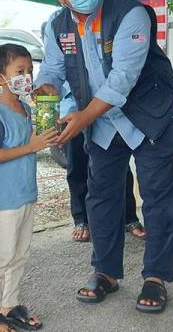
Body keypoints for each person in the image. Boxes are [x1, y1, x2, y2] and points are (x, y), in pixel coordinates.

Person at [35, 0, 173, 314]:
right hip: (103, 123)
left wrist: (81, 118)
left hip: (152, 115)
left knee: (157, 198)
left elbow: (122, 80)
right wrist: (46, 93)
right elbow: (53, 71)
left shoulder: (130, 13)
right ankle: (106, 271)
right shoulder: (57, 27)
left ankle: (156, 277)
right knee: (101, 197)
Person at [0, 44, 56, 332]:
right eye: (20, 72)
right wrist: (32, 146)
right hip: (4, 199)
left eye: (29, 71)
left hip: (25, 194)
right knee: (1, 255)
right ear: (1, 79)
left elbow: (45, 134)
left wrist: (47, 100)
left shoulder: (26, 108)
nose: (27, 77)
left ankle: (9, 305)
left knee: (20, 253)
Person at [60, 89, 146, 243]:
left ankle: (129, 217)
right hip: (73, 109)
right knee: (77, 166)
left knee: (120, 166)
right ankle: (81, 220)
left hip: (107, 111)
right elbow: (52, 74)